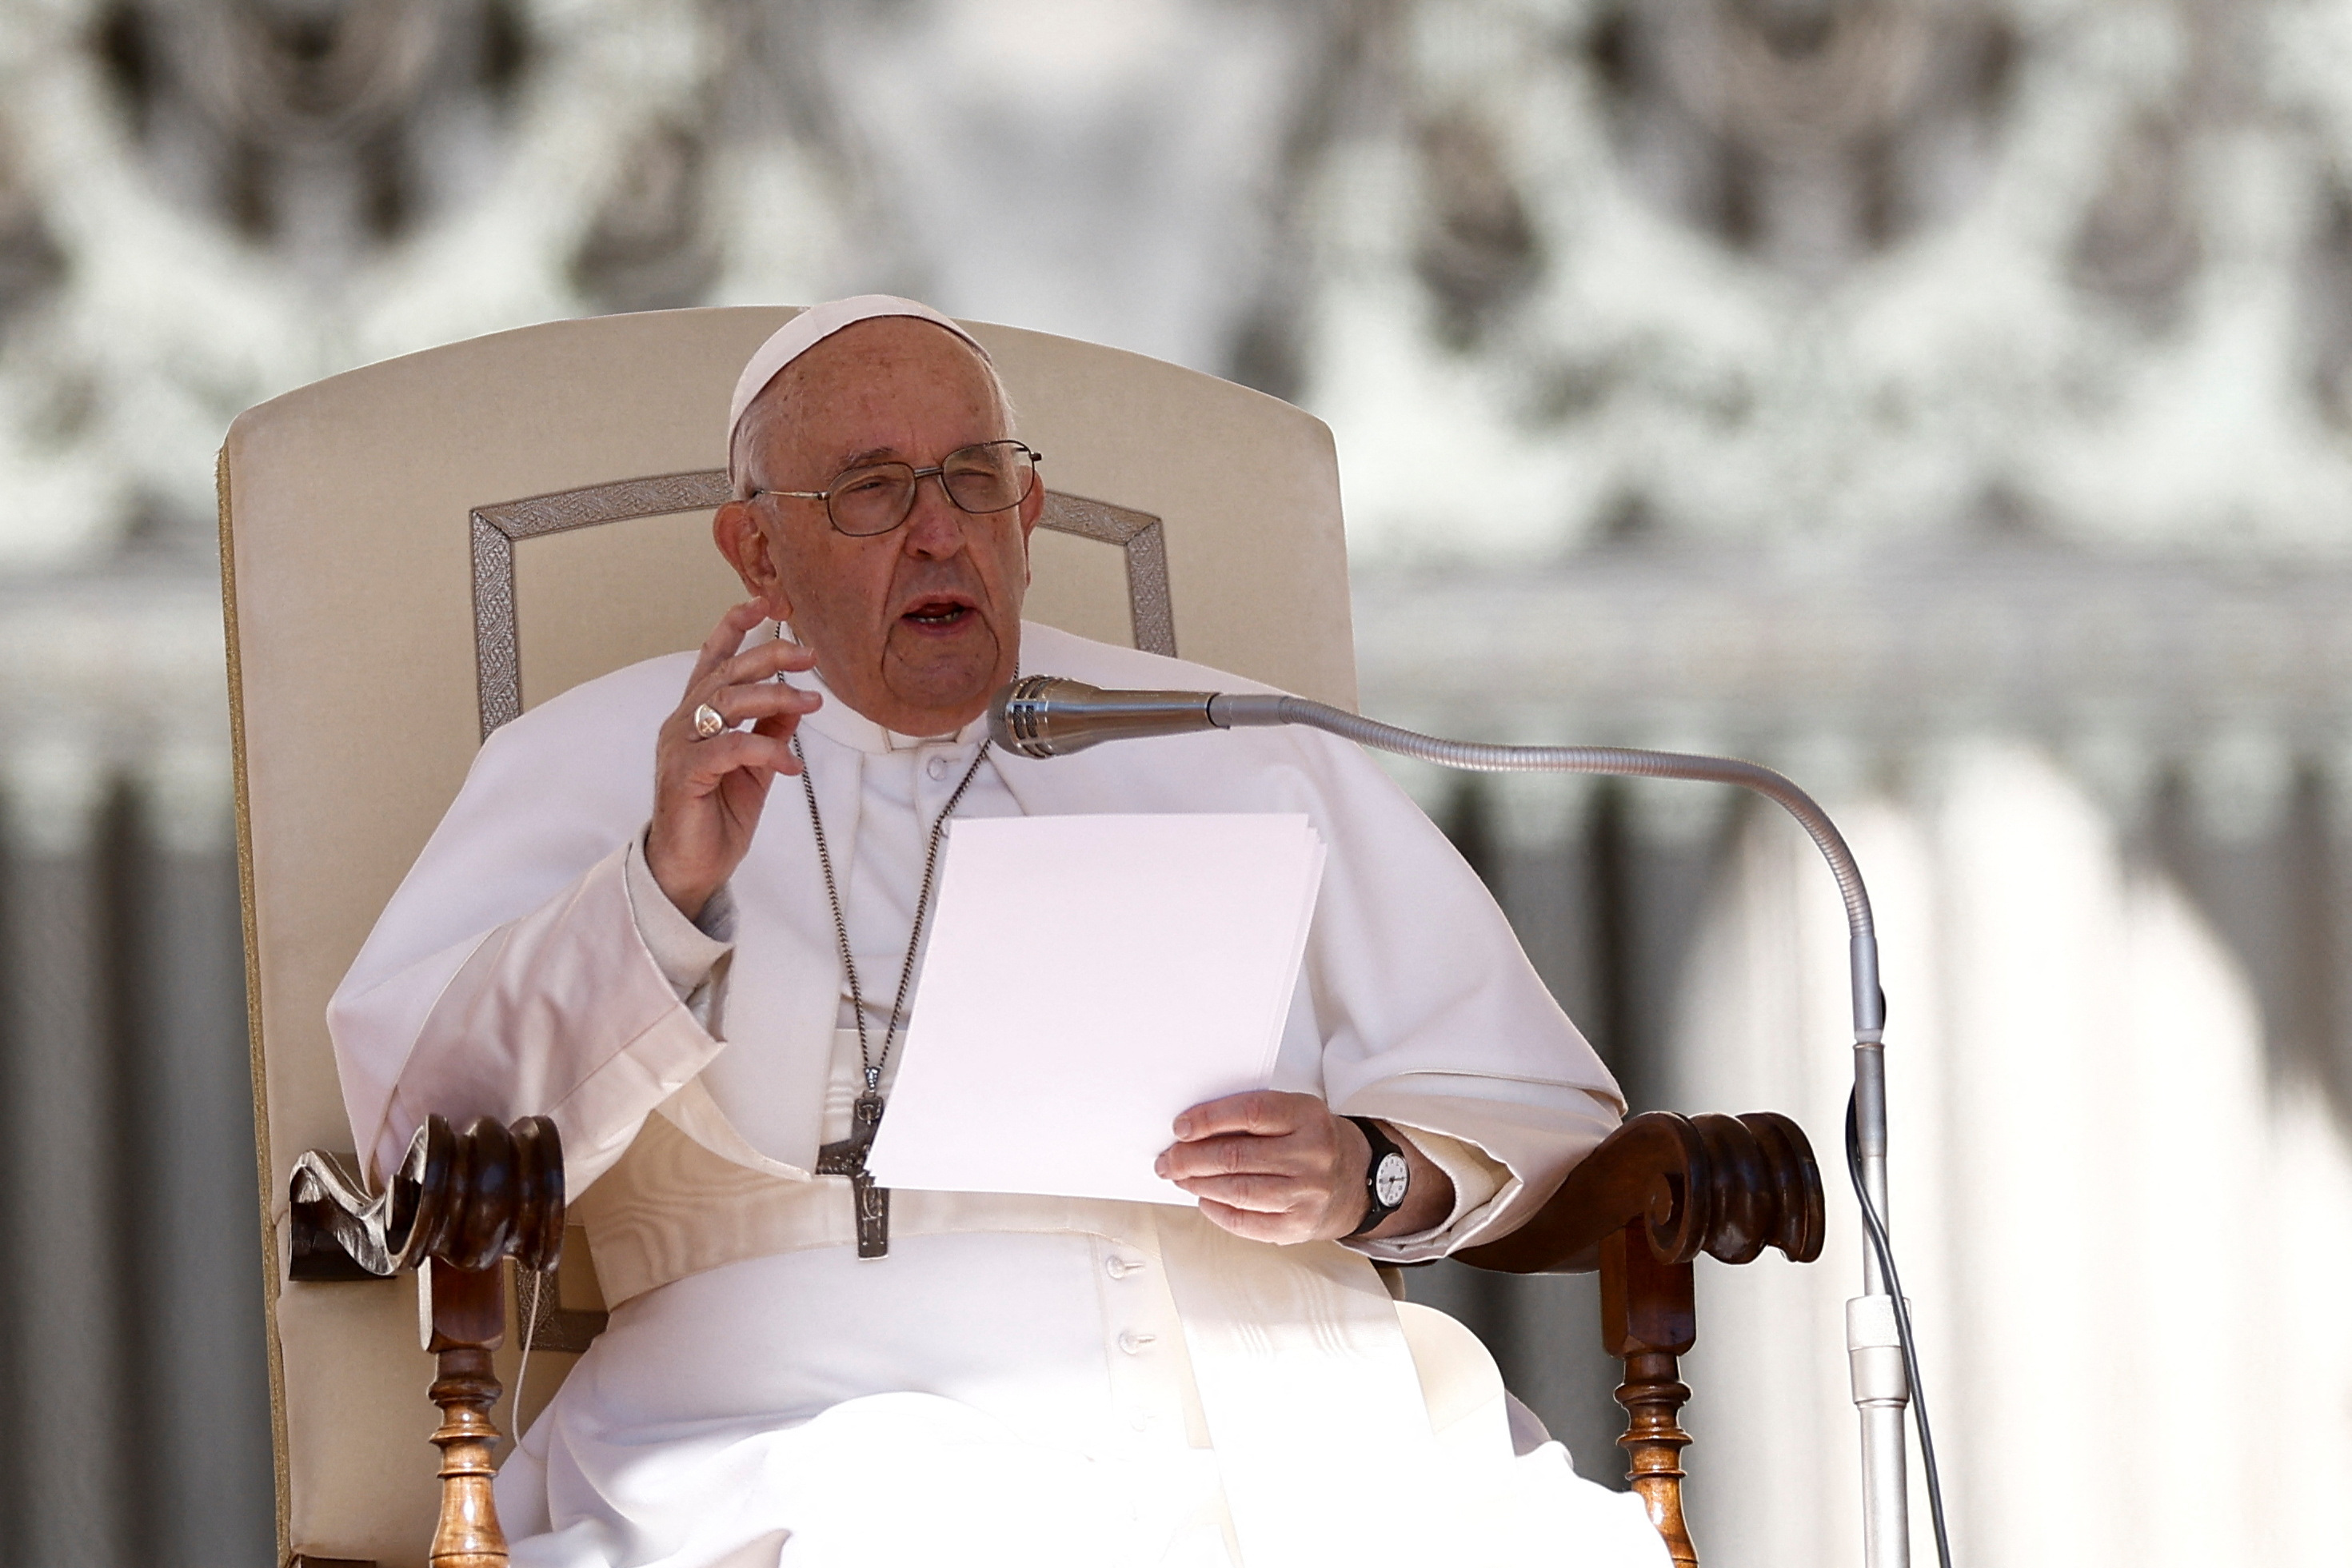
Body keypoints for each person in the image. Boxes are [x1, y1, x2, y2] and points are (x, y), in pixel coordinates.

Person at [328, 296, 1669, 1567]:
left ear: (1025, 518)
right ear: (756, 548)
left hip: (1284, 1409)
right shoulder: (606, 757)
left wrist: (1365, 1173)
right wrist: (658, 892)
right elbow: (424, 1131)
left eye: (974, 480)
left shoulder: (1240, 743)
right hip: (802, 1421)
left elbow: (1528, 1100)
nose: (937, 532)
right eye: (870, 488)